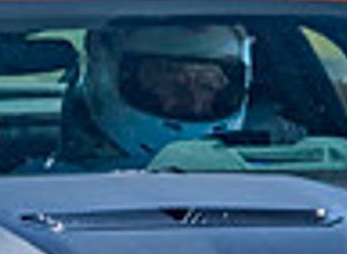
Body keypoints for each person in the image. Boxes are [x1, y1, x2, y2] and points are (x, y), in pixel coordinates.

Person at [56, 19, 253, 168]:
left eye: (208, 84)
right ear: (108, 75)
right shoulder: (50, 185)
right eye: (170, 81)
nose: (193, 101)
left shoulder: (266, 172)